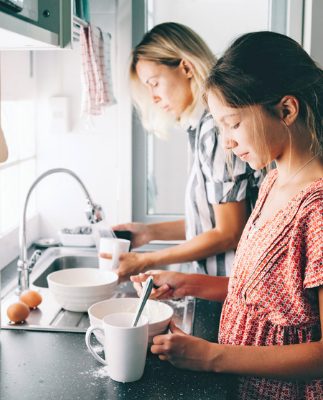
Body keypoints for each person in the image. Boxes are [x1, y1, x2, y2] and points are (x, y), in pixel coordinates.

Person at [131, 31, 323, 399]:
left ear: (286, 110)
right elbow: (266, 300)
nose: (225, 141)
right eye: (220, 125)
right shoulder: (273, 181)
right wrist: (187, 283)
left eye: (234, 123)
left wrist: (211, 356)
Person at [101, 23, 263, 282]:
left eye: (154, 83)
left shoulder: (215, 128)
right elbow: (210, 222)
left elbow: (230, 231)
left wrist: (146, 260)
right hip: (221, 286)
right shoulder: (200, 129)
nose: (152, 97)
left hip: (235, 289)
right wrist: (148, 232)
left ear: (186, 67)